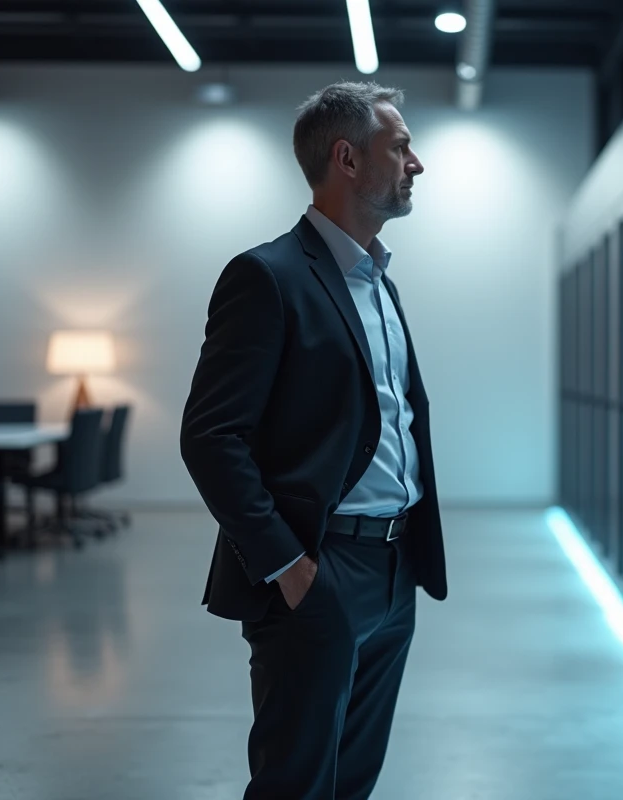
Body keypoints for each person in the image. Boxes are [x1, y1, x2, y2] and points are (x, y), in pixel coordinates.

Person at [180, 81, 447, 800]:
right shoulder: (267, 277)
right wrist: (290, 568)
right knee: (295, 785)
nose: (416, 163)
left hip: (394, 569)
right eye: (401, 147)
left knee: (352, 782)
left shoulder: (380, 282)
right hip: (320, 570)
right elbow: (210, 436)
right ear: (347, 159)